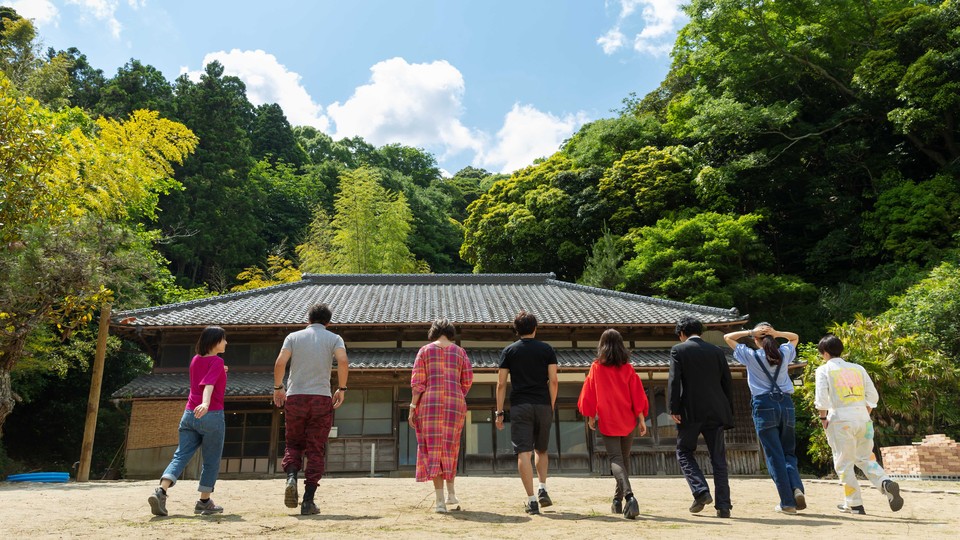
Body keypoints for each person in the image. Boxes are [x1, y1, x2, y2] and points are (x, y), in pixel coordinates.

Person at [273, 303, 349, 515]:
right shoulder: (334, 338)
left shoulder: (293, 337)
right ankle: (308, 501)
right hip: (321, 397)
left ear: (308, 319)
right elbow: (343, 361)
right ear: (328, 322)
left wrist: (279, 388)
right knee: (316, 448)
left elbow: (280, 363)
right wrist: (341, 388)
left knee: (293, 442)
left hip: (295, 396)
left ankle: (290, 477)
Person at [814, 334, 904, 515]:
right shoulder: (858, 369)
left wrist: (823, 419)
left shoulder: (824, 370)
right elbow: (873, 397)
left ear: (824, 353)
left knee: (843, 463)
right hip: (863, 419)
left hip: (840, 419)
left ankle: (854, 503)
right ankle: (884, 482)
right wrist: (864, 413)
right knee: (865, 458)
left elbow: (822, 400)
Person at [723, 322, 805, 515]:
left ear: (756, 340)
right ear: (773, 338)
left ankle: (787, 502)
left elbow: (728, 338)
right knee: (788, 452)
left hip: (764, 405)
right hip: (786, 403)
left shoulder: (751, 356)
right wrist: (777, 333)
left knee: (774, 454)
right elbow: (794, 337)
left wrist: (751, 332)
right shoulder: (784, 352)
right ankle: (796, 487)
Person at [148, 326, 229, 516]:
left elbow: (206, 375)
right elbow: (208, 385)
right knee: (211, 461)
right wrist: (206, 404)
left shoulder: (195, 360)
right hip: (210, 414)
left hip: (189, 414)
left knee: (180, 455)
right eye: (224, 339)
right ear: (215, 342)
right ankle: (204, 502)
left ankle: (161, 490)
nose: (226, 343)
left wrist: (221, 370)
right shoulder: (217, 361)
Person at [577, 329, 649, 520]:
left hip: (608, 419)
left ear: (602, 345)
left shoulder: (596, 367)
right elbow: (638, 395)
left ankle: (629, 497)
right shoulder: (628, 368)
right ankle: (617, 501)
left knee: (616, 459)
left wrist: (591, 416)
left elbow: (589, 393)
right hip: (628, 419)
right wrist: (641, 419)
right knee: (624, 460)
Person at [669, 317, 734, 518]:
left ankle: (700, 491)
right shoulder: (717, 351)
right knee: (718, 459)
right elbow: (727, 383)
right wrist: (728, 411)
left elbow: (674, 381)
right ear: (701, 332)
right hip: (716, 410)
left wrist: (674, 408)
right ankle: (723, 506)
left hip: (691, 410)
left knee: (684, 451)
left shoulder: (678, 350)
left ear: (681, 334)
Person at [495, 310, 559, 515]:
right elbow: (554, 380)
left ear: (516, 330)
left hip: (520, 405)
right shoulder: (547, 349)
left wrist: (499, 412)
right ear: (535, 328)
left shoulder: (509, 351)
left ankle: (531, 501)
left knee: (524, 452)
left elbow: (501, 384)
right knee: (541, 450)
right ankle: (543, 488)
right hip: (543, 404)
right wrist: (551, 404)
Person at [409, 318, 474, 513]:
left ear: (433, 332)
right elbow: (467, 380)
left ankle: (439, 501)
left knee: (433, 447)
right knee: (451, 446)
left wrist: (413, 406)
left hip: (430, 403)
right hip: (455, 403)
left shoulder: (425, 351)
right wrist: (455, 393)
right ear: (450, 332)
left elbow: (418, 382)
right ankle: (451, 493)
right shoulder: (460, 352)